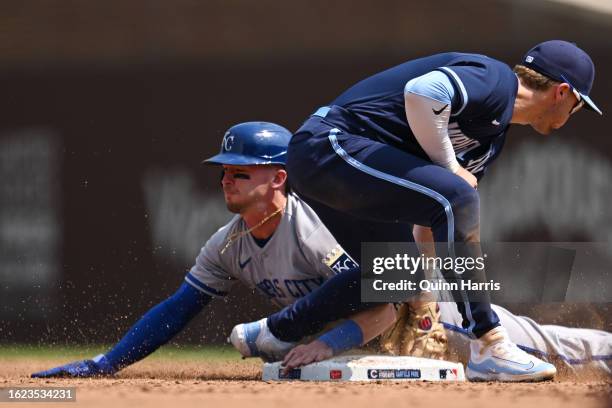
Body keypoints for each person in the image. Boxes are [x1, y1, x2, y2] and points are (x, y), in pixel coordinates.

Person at [232, 40, 603, 382]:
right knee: (457, 194)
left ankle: (274, 333)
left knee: (401, 269)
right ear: (563, 92)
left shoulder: (490, 141)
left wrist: (426, 303)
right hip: (327, 146)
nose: (573, 112)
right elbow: (422, 92)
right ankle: (489, 343)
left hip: (340, 169)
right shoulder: (495, 80)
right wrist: (449, 167)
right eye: (578, 104)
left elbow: (438, 214)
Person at [31, 121, 395, 378]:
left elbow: (386, 306)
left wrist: (328, 344)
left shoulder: (312, 226)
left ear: (279, 178)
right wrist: (105, 363)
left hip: (422, 313)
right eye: (223, 172)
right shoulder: (227, 244)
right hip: (344, 341)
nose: (226, 181)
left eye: (241, 173)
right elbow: (177, 309)